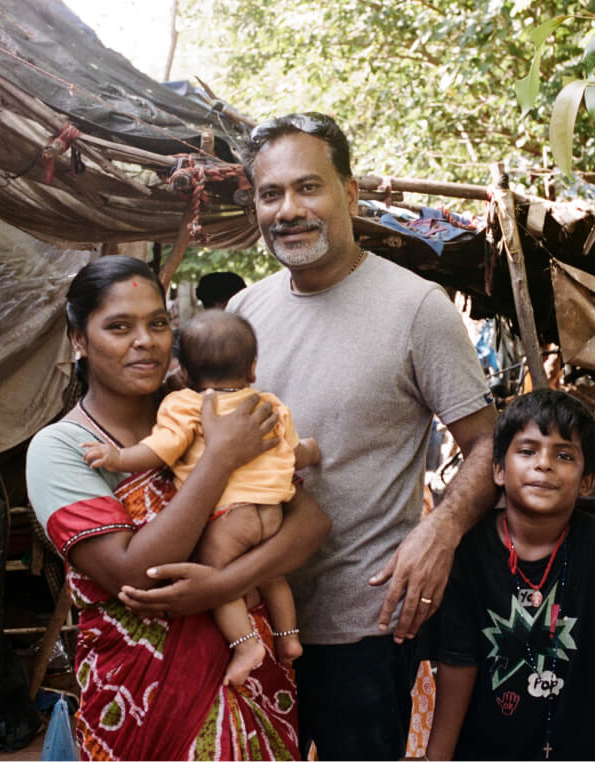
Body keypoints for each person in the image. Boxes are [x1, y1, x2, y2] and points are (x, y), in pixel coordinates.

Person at [127, 111, 497, 760]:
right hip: (247, 619)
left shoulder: (416, 308)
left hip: (364, 622)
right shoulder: (244, 313)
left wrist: (440, 532)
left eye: (309, 187)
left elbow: (489, 445)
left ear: (349, 194)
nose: (288, 210)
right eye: (271, 194)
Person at [25, 256, 330, 760]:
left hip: (248, 671)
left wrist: (223, 584)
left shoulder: (214, 405)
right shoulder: (61, 449)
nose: (145, 340)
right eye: (119, 326)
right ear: (78, 340)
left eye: (158, 323)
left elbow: (310, 521)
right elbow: (137, 574)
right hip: (140, 694)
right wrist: (221, 458)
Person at [80, 309, 320, 687]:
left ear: (185, 374)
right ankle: (289, 639)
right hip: (273, 512)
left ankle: (246, 646)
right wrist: (313, 451)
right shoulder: (268, 404)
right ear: (252, 369)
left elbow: (161, 450)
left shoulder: (185, 404)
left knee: (216, 577)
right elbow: (292, 453)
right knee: (273, 574)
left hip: (229, 516)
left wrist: (118, 457)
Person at [425, 389, 595, 760]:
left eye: (564, 455)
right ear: (498, 470)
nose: (544, 464)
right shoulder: (470, 548)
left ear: (587, 480)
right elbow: (458, 665)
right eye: (527, 450)